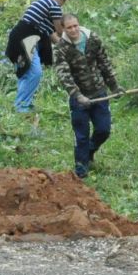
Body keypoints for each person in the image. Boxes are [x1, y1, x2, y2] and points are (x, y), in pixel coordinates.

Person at [53, 14, 122, 179]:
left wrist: (114, 86)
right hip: (79, 99)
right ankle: (81, 166)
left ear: (79, 25)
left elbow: (104, 62)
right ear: (63, 29)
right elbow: (64, 74)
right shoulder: (60, 48)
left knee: (103, 130)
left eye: (75, 25)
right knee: (81, 134)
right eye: (69, 27)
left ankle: (90, 151)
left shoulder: (92, 39)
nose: (73, 30)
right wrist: (77, 95)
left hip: (99, 92)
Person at [6, 0, 70, 114]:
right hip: (26, 38)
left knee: (25, 73)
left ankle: (21, 104)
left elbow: (51, 34)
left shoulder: (42, 2)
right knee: (35, 72)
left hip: (17, 35)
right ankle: (21, 107)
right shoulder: (54, 6)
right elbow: (58, 31)